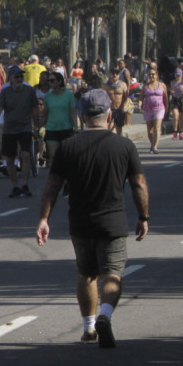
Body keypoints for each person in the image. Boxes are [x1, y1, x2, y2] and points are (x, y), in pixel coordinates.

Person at [36, 89, 149, 348]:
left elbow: (51, 187)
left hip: (80, 222)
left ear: (83, 118)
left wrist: (44, 219)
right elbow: (139, 185)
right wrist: (143, 216)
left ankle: (88, 328)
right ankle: (105, 316)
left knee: (87, 273)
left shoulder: (68, 147)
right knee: (112, 273)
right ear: (110, 115)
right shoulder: (124, 146)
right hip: (113, 223)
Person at [0, 66, 39, 198]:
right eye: (16, 77)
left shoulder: (29, 91)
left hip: (25, 127)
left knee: (25, 155)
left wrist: (37, 124)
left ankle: (25, 184)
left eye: (21, 77)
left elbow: (35, 108)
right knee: (10, 159)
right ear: (11, 79)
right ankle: (15, 185)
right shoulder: (5, 92)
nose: (19, 79)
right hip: (9, 129)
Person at [40, 71, 78, 172]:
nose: (50, 83)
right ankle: (56, 178)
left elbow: (73, 112)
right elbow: (45, 114)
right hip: (52, 129)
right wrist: (38, 126)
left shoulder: (68, 95)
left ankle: (67, 177)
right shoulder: (48, 96)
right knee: (53, 155)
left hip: (66, 128)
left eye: (52, 80)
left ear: (59, 81)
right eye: (49, 81)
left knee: (67, 155)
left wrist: (76, 126)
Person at [141, 68, 169, 154]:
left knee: (157, 127)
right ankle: (152, 144)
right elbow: (141, 97)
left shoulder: (162, 85)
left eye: (153, 74)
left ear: (156, 75)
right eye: (150, 74)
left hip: (159, 109)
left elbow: (166, 98)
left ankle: (155, 146)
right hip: (148, 109)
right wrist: (139, 103)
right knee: (150, 130)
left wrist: (167, 107)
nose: (151, 76)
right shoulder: (145, 86)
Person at [169, 69, 183, 140]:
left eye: (179, 75)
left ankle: (180, 131)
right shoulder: (172, 82)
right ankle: (175, 131)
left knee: (180, 117)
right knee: (175, 115)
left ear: (181, 75)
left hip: (182, 100)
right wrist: (172, 91)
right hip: (175, 99)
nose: (177, 77)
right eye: (176, 75)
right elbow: (171, 90)